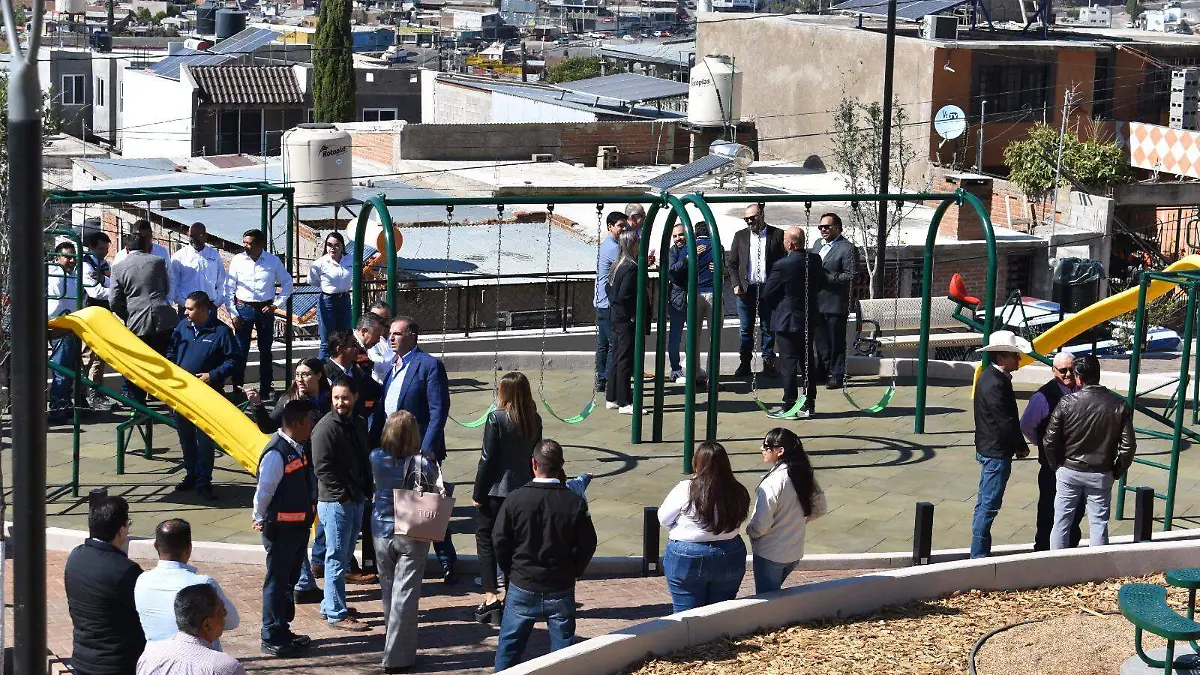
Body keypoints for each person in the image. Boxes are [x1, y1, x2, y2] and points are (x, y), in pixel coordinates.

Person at [493, 440, 597, 671]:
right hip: (560, 584)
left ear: (533, 463)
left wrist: (510, 571)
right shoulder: (574, 502)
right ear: (561, 465)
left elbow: (500, 540)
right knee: (563, 654)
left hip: (522, 583)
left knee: (509, 647)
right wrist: (575, 570)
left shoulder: (515, 499)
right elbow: (588, 542)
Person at [376, 316, 458, 583]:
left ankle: (448, 562)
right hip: (392, 449)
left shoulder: (429, 365)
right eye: (390, 334)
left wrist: (426, 450)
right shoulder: (393, 367)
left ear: (412, 336)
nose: (391, 338)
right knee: (400, 508)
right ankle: (404, 557)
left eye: (397, 334)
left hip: (419, 452)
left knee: (428, 507)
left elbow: (439, 410)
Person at [370, 410, 442, 672]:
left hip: (380, 528)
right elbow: (434, 488)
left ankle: (394, 641)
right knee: (406, 596)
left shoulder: (376, 457)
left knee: (389, 591)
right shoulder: (423, 463)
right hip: (411, 530)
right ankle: (396, 657)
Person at [1044, 354, 1137, 549]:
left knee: (1061, 522)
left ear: (1078, 378)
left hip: (1069, 470)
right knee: (1098, 525)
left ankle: (1055, 569)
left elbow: (1049, 440)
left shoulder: (1066, 403)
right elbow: (1128, 447)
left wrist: (1057, 466)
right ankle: (1096, 571)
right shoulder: (1119, 405)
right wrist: (1116, 471)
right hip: (1101, 472)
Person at [472, 371, 543, 622]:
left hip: (495, 491)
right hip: (523, 489)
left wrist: (477, 493)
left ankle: (491, 595)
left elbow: (487, 460)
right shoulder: (534, 419)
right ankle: (515, 593)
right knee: (516, 543)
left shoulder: (496, 418)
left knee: (486, 540)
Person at [252, 398, 318, 657]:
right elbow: (265, 489)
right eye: (310, 420)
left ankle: (282, 628)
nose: (313, 425)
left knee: (288, 581)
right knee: (277, 583)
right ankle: (271, 635)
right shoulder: (276, 452)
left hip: (296, 529)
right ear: (298, 423)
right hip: (281, 531)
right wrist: (258, 515)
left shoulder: (296, 447)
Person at [658, 442, 751, 613]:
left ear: (697, 463)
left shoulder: (685, 488)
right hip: (730, 552)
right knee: (720, 613)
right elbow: (739, 520)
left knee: (685, 615)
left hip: (687, 553)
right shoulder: (738, 490)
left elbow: (663, 519)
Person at [312, 376, 372, 631]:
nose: (340, 403)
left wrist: (364, 491)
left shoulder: (357, 423)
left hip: (355, 498)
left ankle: (330, 604)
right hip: (336, 502)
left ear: (355, 397)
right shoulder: (325, 429)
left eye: (345, 397)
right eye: (336, 398)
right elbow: (322, 468)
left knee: (344, 555)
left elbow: (362, 459)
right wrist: (343, 495)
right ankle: (336, 612)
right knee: (336, 558)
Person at [168, 291, 241, 500]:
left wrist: (213, 375)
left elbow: (234, 360)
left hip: (208, 395)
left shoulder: (221, 332)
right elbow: (172, 352)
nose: (185, 312)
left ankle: (204, 481)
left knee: (205, 440)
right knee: (185, 437)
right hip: (182, 394)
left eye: (190, 309)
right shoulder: (182, 327)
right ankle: (191, 474)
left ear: (203, 309)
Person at [64, 495, 146, 675]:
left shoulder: (75, 557)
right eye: (128, 523)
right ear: (121, 528)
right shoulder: (125, 570)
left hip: (82, 660)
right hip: (117, 665)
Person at [970, 330, 1033, 559]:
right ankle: (979, 556)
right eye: (1014, 356)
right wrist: (1021, 446)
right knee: (988, 506)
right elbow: (1005, 421)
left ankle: (979, 553)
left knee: (986, 505)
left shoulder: (990, 378)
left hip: (991, 448)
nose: (1018, 360)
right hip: (996, 452)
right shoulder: (995, 383)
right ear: (1001, 357)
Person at [134, 519, 240, 645]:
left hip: (157, 659)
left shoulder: (142, 580)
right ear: (189, 548)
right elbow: (232, 621)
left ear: (156, 546)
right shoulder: (203, 584)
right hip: (198, 659)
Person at [747, 428, 827, 594]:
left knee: (767, 601)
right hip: (794, 552)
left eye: (766, 446)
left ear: (780, 451)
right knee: (774, 595)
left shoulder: (772, 482)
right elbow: (820, 508)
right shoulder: (805, 474)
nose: (762, 449)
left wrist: (751, 531)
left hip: (770, 553)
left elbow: (761, 524)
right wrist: (796, 520)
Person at [1020, 352, 1084, 551]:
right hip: (1052, 466)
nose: (1067, 374)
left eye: (1071, 370)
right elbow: (1027, 425)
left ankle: (1070, 550)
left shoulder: (1083, 391)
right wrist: (1044, 445)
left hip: (1077, 465)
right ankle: (1042, 550)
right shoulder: (1042, 397)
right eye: (1062, 370)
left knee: (1076, 512)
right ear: (1053, 371)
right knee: (1048, 510)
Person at [762, 227, 826, 420]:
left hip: (787, 320)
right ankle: (809, 404)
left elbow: (767, 292)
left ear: (790, 244)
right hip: (807, 318)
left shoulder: (783, 264)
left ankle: (789, 405)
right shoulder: (815, 260)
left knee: (789, 364)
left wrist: (779, 304)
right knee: (807, 362)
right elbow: (822, 283)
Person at [111, 232, 178, 405]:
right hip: (164, 318)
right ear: (146, 247)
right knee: (165, 362)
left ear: (126, 249)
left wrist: (129, 315)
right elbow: (166, 288)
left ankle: (138, 405)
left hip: (137, 322)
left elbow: (114, 300)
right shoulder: (158, 261)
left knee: (139, 365)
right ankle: (170, 404)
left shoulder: (118, 267)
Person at [226, 228, 293, 396]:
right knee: (241, 350)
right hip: (243, 309)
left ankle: (266, 388)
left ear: (260, 244)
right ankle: (237, 387)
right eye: (244, 243)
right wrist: (233, 313)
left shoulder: (272, 261)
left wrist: (276, 304)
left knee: (265, 350)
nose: (246, 246)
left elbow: (288, 283)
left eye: (250, 243)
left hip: (265, 310)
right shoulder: (237, 260)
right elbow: (228, 289)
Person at [727, 203, 786, 378]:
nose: (749, 221)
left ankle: (768, 361)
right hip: (746, 290)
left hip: (768, 289)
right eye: (746, 219)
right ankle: (745, 362)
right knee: (745, 329)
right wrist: (736, 283)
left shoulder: (777, 235)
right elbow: (732, 263)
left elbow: (783, 262)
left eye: (752, 218)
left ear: (761, 215)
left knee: (768, 328)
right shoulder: (740, 236)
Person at [136, 584, 245, 675]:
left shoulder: (150, 654)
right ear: (207, 625)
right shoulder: (225, 668)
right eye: (222, 611)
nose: (225, 616)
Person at [811, 213, 857, 389]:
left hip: (835, 303)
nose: (823, 230)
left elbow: (851, 276)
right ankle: (822, 370)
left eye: (827, 226)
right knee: (820, 341)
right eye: (821, 227)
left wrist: (827, 277)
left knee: (836, 341)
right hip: (817, 302)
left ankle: (837, 374)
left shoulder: (847, 248)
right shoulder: (817, 245)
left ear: (837, 228)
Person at [667, 222, 715, 386]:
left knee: (693, 335)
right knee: (676, 335)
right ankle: (675, 369)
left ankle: (694, 369)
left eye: (681, 235)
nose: (678, 239)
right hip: (679, 298)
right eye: (675, 236)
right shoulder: (673, 252)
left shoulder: (696, 247)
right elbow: (672, 271)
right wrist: (689, 259)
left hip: (695, 295)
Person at [605, 230, 644, 415]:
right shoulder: (631, 267)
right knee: (625, 359)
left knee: (617, 357)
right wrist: (631, 315)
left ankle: (611, 397)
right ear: (632, 244)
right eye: (637, 242)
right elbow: (625, 294)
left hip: (615, 316)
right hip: (624, 318)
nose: (639, 244)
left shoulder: (617, 264)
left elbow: (608, 288)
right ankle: (624, 401)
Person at [593, 211, 629, 394]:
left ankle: (601, 378)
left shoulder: (608, 244)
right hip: (607, 302)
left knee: (603, 343)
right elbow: (626, 266)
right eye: (620, 226)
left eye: (625, 225)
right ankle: (607, 378)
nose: (624, 229)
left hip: (601, 300)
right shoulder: (613, 248)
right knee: (614, 342)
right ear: (610, 226)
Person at [247, 357, 330, 435]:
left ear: (318, 375)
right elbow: (269, 427)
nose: (299, 379)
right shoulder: (289, 400)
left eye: (305, 374)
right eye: (297, 374)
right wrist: (257, 404)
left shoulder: (331, 396)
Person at [81, 231, 117, 411]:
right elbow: (95, 291)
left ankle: (97, 392)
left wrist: (106, 280)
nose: (104, 252)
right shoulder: (86, 265)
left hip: (102, 314)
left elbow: (112, 281)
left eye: (106, 248)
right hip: (90, 314)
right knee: (91, 356)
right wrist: (116, 292)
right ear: (91, 248)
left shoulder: (102, 264)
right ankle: (91, 395)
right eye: (101, 248)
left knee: (101, 356)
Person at [48, 240, 82, 423]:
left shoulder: (72, 275)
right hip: (61, 327)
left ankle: (65, 405)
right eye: (67, 257)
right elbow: (54, 305)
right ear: (57, 257)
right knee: (62, 369)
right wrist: (64, 317)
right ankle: (57, 409)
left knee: (69, 369)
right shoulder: (56, 276)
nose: (71, 260)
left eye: (73, 257)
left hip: (71, 326)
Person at [309, 232, 354, 359]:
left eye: (336, 245)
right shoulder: (320, 263)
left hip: (344, 299)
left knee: (344, 337)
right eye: (329, 245)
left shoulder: (350, 259)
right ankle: (322, 373)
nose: (332, 248)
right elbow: (313, 280)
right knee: (327, 341)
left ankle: (342, 368)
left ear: (342, 246)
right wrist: (328, 287)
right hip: (328, 301)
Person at [170, 222, 227, 318]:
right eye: (192, 236)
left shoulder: (214, 255)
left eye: (198, 235)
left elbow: (222, 282)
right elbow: (173, 283)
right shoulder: (179, 256)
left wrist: (216, 303)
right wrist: (184, 303)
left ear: (205, 236)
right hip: (186, 309)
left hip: (209, 308)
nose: (194, 239)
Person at [366, 301, 396, 383]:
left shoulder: (399, 335)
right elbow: (379, 367)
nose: (384, 322)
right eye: (379, 319)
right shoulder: (368, 340)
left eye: (387, 318)